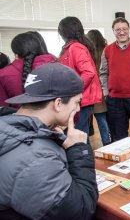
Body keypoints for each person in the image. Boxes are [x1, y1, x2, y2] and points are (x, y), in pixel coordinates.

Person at [0, 63, 98, 219]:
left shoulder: (12, 125)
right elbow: (80, 211)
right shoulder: (36, 159)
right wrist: (78, 149)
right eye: (77, 102)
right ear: (58, 103)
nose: (79, 109)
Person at [58, 17, 102, 139]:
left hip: (81, 100)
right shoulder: (72, 47)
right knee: (81, 135)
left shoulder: (76, 47)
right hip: (79, 99)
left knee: (78, 136)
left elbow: (88, 72)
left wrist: (73, 90)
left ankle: (84, 157)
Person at [0, 32, 55, 108]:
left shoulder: (3, 75)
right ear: (39, 47)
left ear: (15, 51)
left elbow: (3, 110)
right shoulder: (58, 68)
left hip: (17, 119)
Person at [86, 29, 111, 145]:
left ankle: (91, 143)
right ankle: (108, 142)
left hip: (92, 89)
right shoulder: (107, 50)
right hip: (106, 88)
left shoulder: (87, 52)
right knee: (106, 118)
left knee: (97, 118)